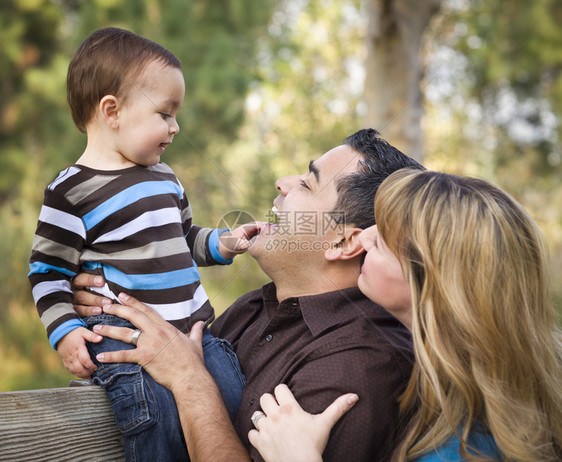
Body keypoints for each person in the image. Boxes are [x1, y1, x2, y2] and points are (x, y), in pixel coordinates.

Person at [72, 128, 425, 461]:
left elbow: (182, 369)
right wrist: (109, 316)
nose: (283, 183)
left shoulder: (359, 367)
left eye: (306, 183)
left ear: (344, 242)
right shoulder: (255, 308)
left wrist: (190, 380)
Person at [28, 27, 260, 462]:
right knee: (158, 424)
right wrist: (65, 332)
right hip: (126, 342)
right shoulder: (71, 191)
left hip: (195, 333)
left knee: (232, 400)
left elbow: (185, 238)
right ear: (112, 111)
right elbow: (47, 273)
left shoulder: (165, 178)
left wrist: (224, 243)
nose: (175, 127)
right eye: (165, 113)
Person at [248, 169, 562, 461]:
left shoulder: (466, 447)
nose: (364, 238)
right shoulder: (472, 390)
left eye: (382, 239)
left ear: (431, 283)